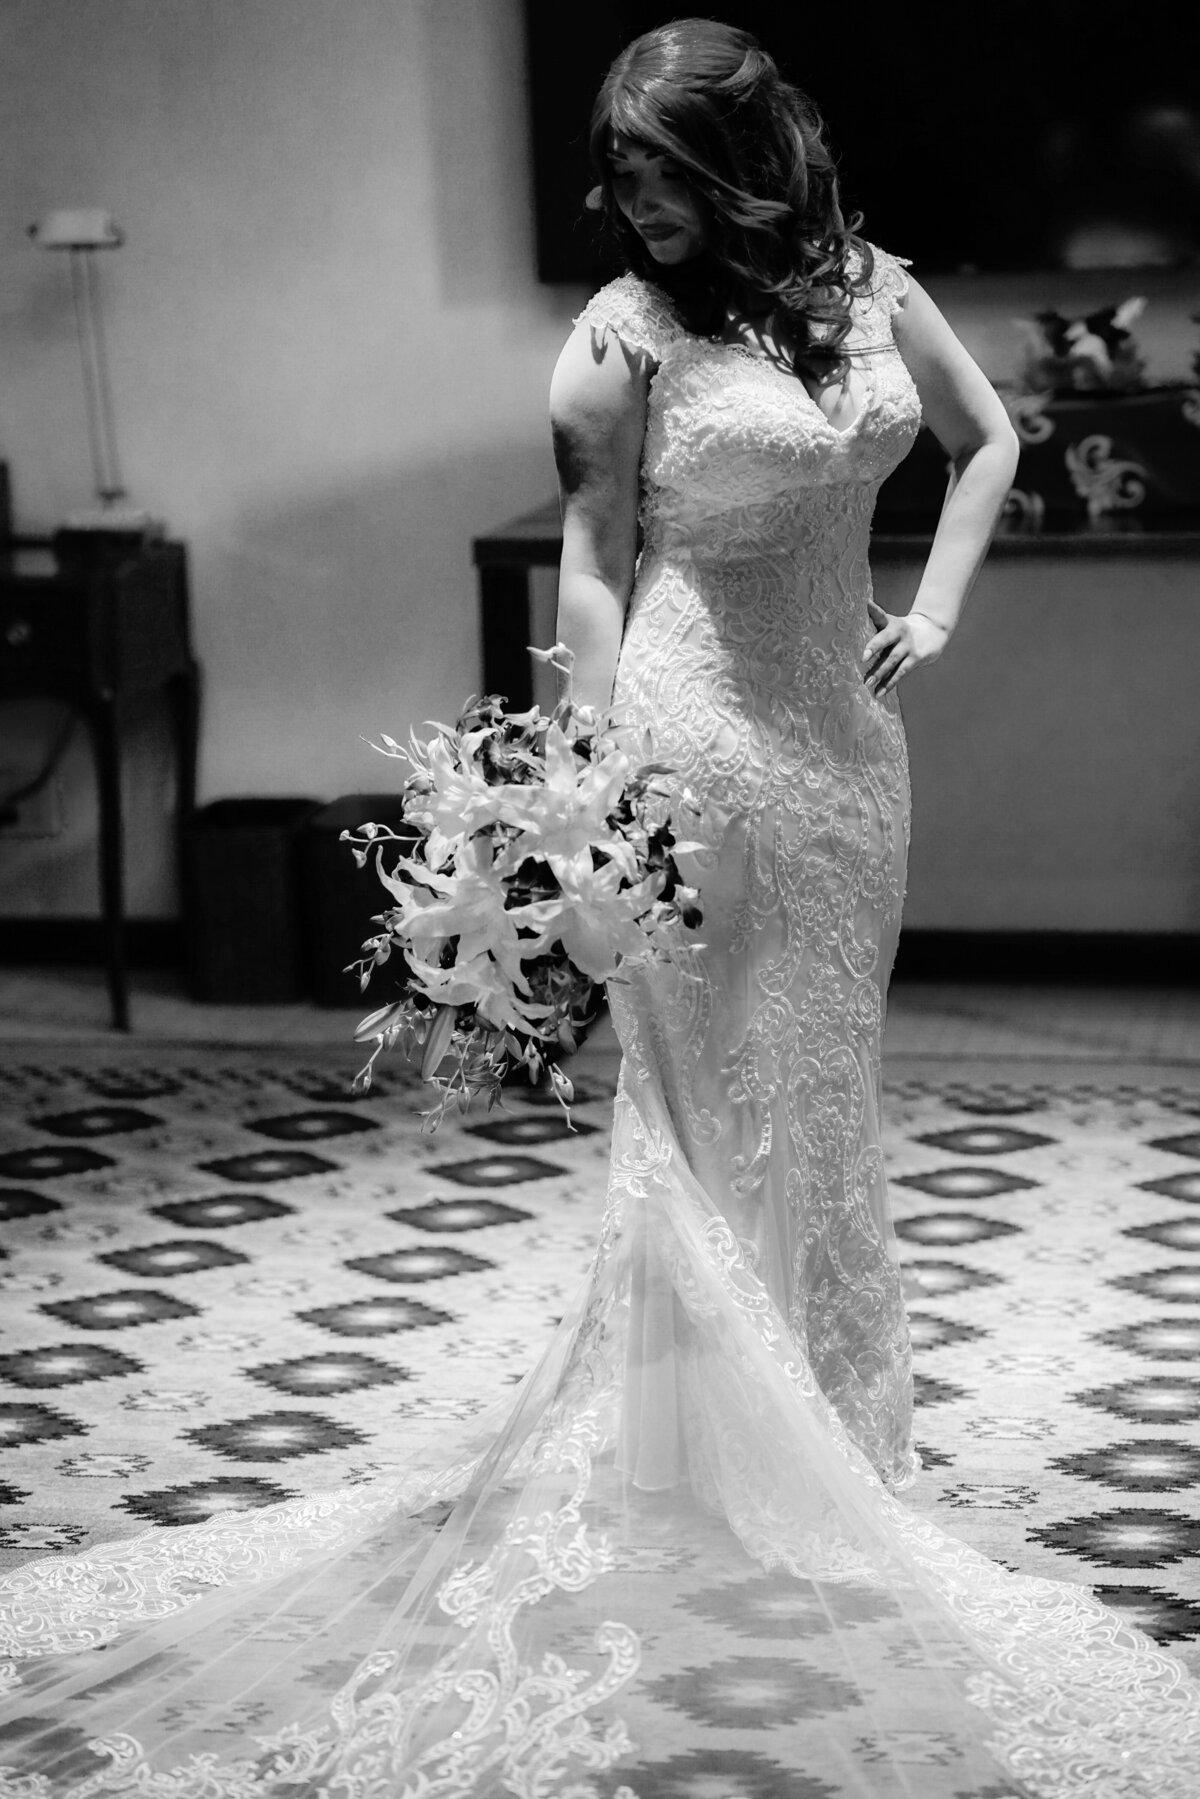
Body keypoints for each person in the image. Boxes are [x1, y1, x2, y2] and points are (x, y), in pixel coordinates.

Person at [1, 22, 1198, 1799]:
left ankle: (828, 1449)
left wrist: (936, 612)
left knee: (822, 1091)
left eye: (653, 170)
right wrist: (587, 784)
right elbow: (591, 555)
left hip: (848, 757)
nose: (622, 201)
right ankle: (704, 1461)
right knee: (710, 1104)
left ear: (739, 159)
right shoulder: (616, 335)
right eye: (611, 170)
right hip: (693, 737)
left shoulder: (868, 284)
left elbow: (989, 436)